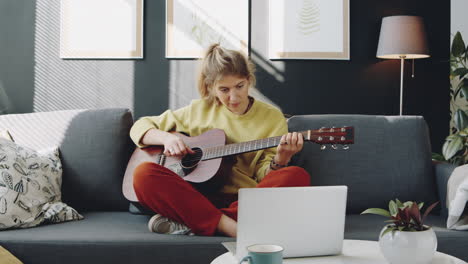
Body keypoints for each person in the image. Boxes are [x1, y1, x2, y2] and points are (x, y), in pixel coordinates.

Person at [129, 44, 310, 237]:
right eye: (224, 89)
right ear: (211, 88)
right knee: (142, 174)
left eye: (239, 86)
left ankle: (197, 221)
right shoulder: (198, 110)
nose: (234, 97)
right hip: (195, 196)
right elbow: (139, 127)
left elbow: (264, 177)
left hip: (243, 200)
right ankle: (231, 227)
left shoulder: (272, 117)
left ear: (249, 81)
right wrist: (166, 138)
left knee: (297, 175)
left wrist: (280, 160)